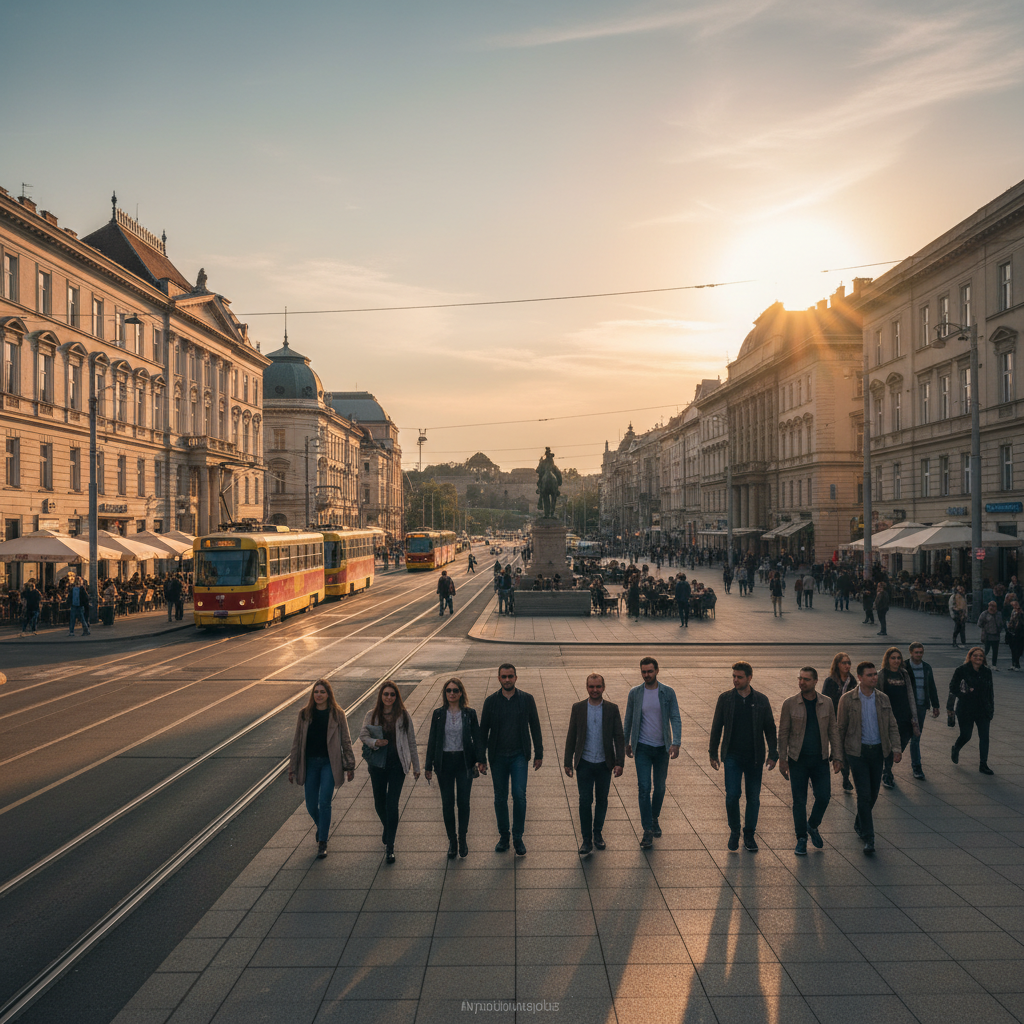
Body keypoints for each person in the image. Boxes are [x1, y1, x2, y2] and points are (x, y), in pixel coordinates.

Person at [708, 662, 778, 853]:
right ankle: (734, 830)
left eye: (739, 677)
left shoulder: (762, 700)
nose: (735, 680)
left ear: (749, 678)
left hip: (755, 756)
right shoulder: (725, 699)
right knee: (732, 795)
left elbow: (770, 729)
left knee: (753, 798)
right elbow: (717, 726)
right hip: (732, 755)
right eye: (734, 676)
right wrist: (713, 753)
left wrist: (773, 754)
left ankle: (749, 834)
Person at [836, 661, 902, 855]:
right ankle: (869, 837)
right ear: (860, 678)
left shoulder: (882, 699)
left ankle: (859, 821)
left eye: (875, 674)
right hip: (857, 753)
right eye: (870, 675)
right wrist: (838, 756)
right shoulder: (847, 699)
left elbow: (892, 725)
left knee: (873, 794)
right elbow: (840, 729)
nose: (874, 677)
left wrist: (896, 748)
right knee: (864, 795)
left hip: (877, 752)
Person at [479, 663, 543, 856]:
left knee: (519, 795)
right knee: (500, 798)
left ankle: (518, 837)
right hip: (497, 757)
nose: (507, 680)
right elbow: (483, 731)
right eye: (504, 676)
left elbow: (535, 726)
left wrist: (538, 753)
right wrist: (481, 758)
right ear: (498, 678)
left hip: (519, 756)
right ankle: (504, 837)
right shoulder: (491, 702)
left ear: (516, 678)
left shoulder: (527, 699)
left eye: (510, 676)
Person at [288, 679, 355, 858]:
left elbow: (346, 740)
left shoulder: (337, 714)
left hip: (329, 764)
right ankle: (322, 826)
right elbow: (296, 742)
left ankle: (322, 841)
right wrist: (292, 767)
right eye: (316, 692)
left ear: (328, 694)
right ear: (313, 695)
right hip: (310, 764)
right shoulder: (304, 714)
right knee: (311, 805)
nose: (319, 695)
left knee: (325, 802)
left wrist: (349, 765)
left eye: (322, 692)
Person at [778, 667, 842, 855]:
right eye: (800, 679)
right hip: (797, 760)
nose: (802, 682)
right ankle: (801, 838)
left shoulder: (827, 703)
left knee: (824, 796)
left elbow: (833, 730)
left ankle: (812, 825)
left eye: (806, 679)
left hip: (820, 759)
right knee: (799, 801)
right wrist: (783, 759)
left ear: (815, 681)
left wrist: (837, 756)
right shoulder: (790, 704)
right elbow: (783, 733)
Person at [563, 673, 625, 854]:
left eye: (598, 687)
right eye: (591, 687)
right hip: (584, 762)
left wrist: (619, 762)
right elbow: (571, 736)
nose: (595, 690)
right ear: (587, 687)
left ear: (603, 688)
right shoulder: (578, 708)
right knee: (584, 801)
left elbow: (619, 737)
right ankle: (586, 840)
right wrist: (568, 761)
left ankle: (597, 834)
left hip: (604, 763)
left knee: (602, 800)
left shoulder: (612, 709)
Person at [359, 681, 420, 863]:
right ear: (381, 696)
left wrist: (416, 766)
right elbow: (363, 735)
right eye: (386, 694)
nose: (389, 697)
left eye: (392, 694)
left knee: (392, 805)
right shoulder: (372, 715)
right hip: (377, 766)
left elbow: (411, 742)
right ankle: (388, 827)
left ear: (396, 697)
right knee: (379, 803)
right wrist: (375, 743)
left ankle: (390, 847)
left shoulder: (403, 715)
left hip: (397, 766)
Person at [624, 657, 681, 849]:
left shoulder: (667, 692)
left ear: (657, 671)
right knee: (643, 788)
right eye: (643, 672)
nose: (647, 675)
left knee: (660, 788)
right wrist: (626, 743)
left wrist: (676, 742)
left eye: (650, 671)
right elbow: (628, 719)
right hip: (642, 748)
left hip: (662, 748)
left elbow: (675, 717)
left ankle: (654, 817)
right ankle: (647, 830)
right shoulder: (635, 693)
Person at [424, 677, 482, 859]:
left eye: (455, 690)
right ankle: (452, 841)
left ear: (461, 693)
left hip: (464, 762)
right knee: (447, 803)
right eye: (448, 690)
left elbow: (477, 738)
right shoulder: (438, 714)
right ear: (445, 693)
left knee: (463, 803)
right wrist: (428, 765)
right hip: (444, 763)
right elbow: (432, 740)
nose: (452, 693)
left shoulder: (469, 713)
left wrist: (481, 760)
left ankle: (463, 838)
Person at [948, 646, 995, 775]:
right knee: (966, 735)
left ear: (983, 658)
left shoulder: (987, 672)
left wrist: (991, 709)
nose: (978, 658)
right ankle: (956, 748)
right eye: (975, 655)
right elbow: (953, 687)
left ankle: (983, 764)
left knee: (984, 737)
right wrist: (964, 694)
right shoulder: (961, 670)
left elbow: (990, 691)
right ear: (970, 656)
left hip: (983, 710)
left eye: (980, 656)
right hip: (966, 709)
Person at [876, 646, 919, 790]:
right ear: (887, 659)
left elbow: (911, 693)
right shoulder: (882, 674)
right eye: (893, 658)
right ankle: (887, 773)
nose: (896, 660)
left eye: (898, 658)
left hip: (905, 716)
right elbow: (878, 696)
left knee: (901, 744)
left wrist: (914, 715)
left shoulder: (904, 673)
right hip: (890, 718)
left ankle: (887, 767)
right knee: (890, 747)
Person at [905, 643, 940, 780]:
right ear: (911, 653)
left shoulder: (926, 668)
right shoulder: (904, 666)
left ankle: (916, 766)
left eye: (921, 652)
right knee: (900, 739)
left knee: (916, 738)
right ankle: (888, 769)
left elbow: (931, 686)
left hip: (920, 707)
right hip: (906, 707)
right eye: (916, 652)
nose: (919, 655)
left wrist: (935, 705)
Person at [822, 652, 857, 792]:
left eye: (848, 663)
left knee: (844, 751)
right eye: (844, 663)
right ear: (837, 664)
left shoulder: (852, 681)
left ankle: (845, 778)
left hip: (848, 722)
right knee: (837, 749)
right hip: (833, 721)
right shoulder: (830, 681)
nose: (847, 665)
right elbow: (824, 701)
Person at [978, 600, 1002, 669]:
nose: (992, 608)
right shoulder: (984, 614)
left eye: (993, 606)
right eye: (990, 606)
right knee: (986, 650)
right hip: (987, 635)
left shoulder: (998, 614)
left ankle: (994, 664)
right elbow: (979, 623)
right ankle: (983, 663)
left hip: (996, 635)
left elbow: (1000, 624)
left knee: (995, 651)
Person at [1004, 598, 1024, 671]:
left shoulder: (1020, 613)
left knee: (1018, 649)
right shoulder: (1013, 612)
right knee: (1013, 649)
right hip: (1012, 632)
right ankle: (1014, 663)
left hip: (1019, 633)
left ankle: (1016, 663)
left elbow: (1021, 623)